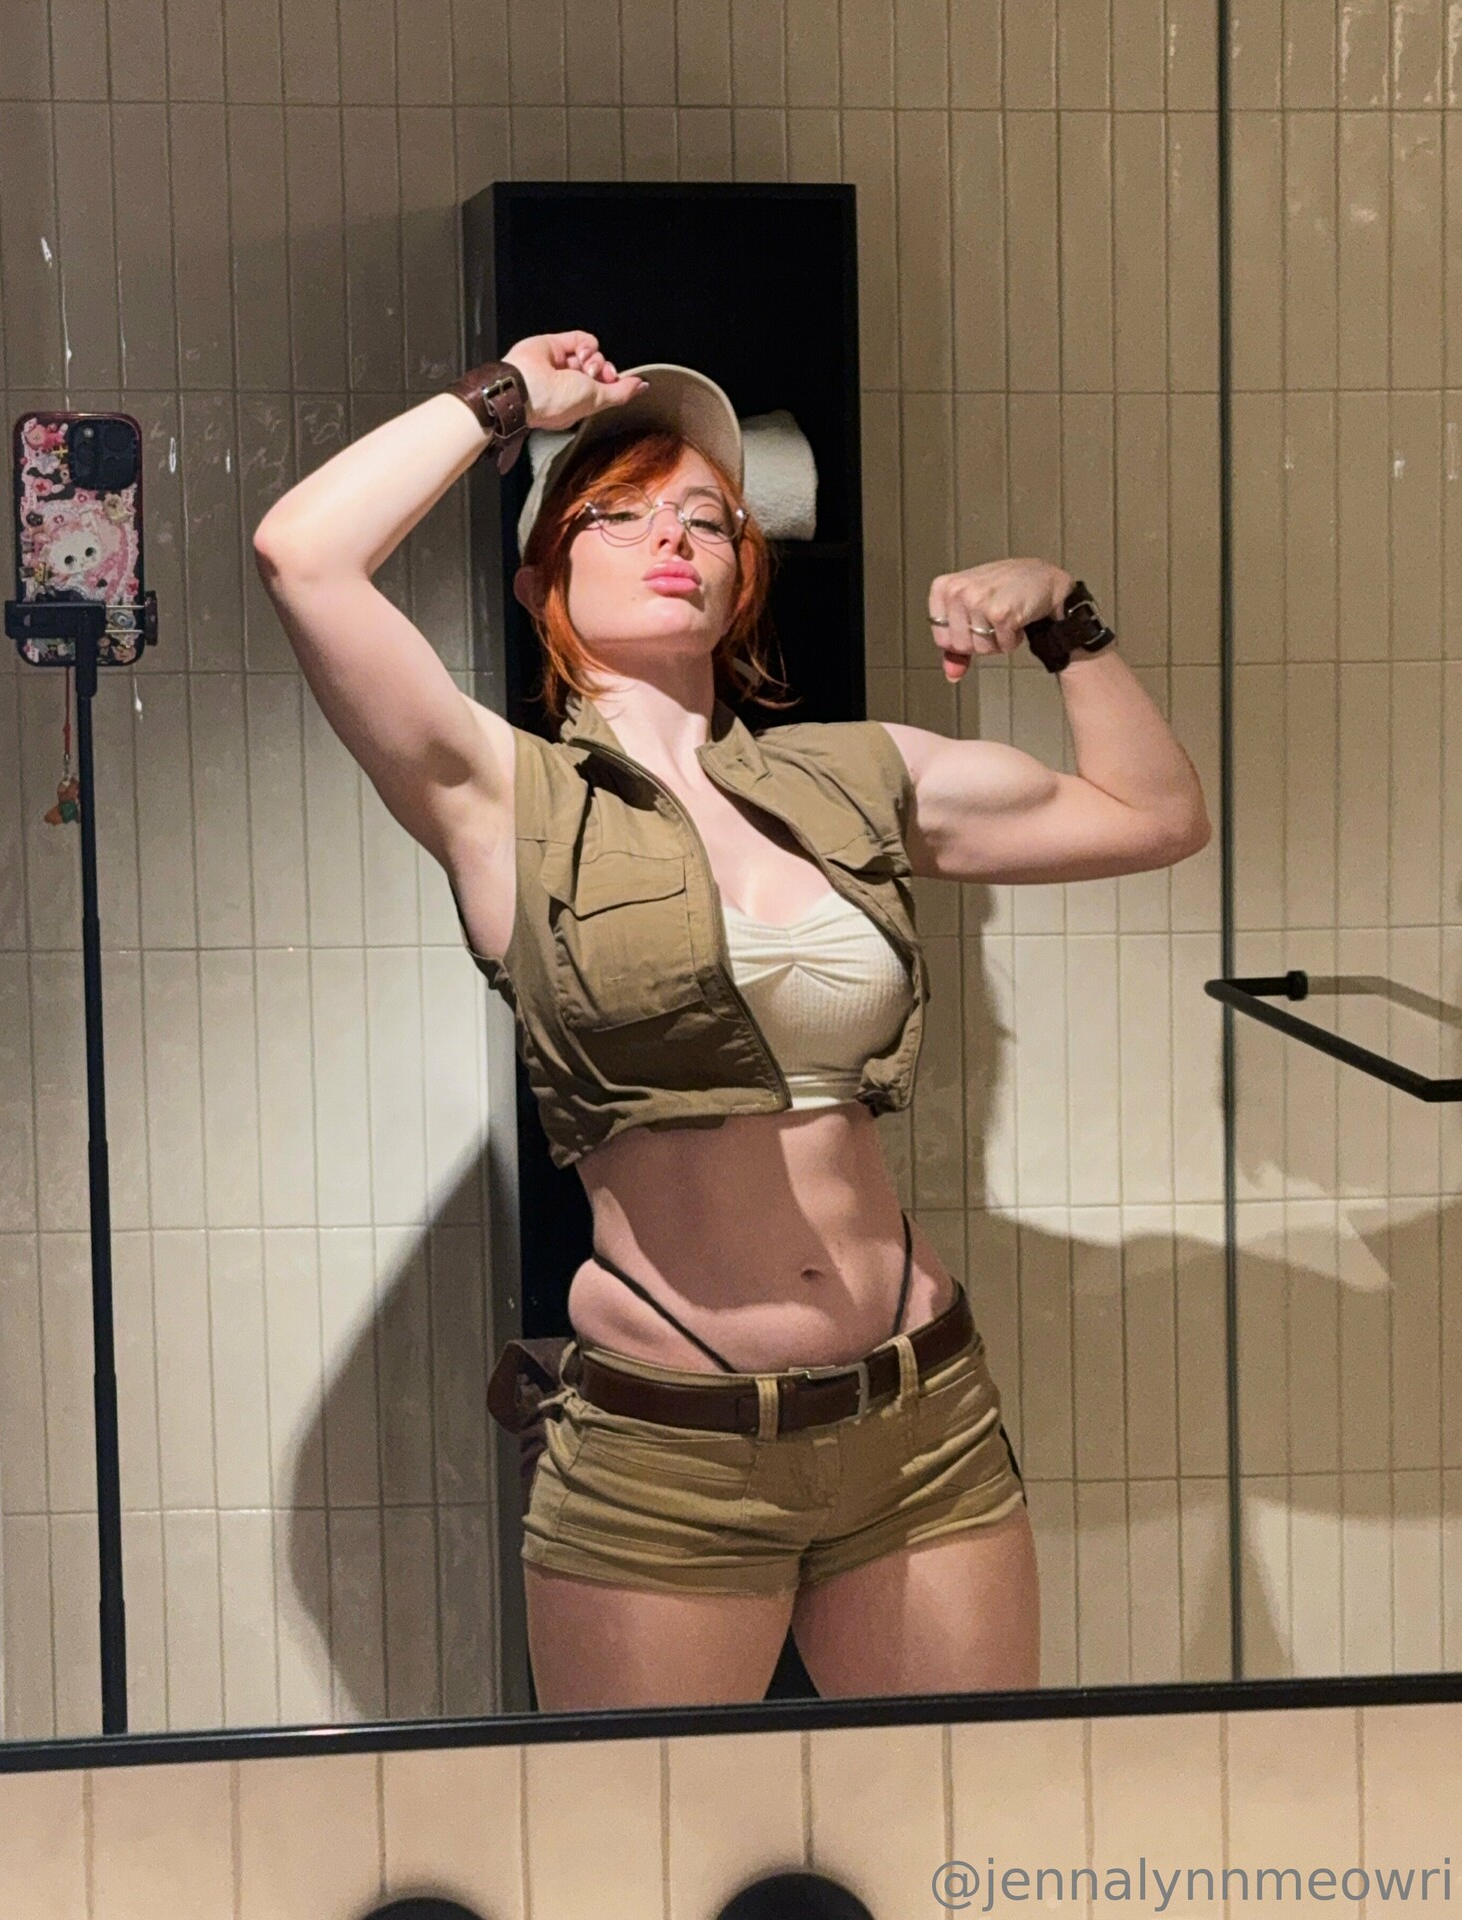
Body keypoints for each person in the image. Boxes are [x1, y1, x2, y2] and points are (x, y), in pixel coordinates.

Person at [253, 330, 1212, 1712]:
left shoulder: (855, 775)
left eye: (706, 519)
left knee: (965, 1807)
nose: (673, 538)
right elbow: (303, 554)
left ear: (743, 575)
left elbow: (1153, 814)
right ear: (541, 580)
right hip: (669, 1454)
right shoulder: (501, 796)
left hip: (921, 1419)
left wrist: (1064, 619)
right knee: (650, 1833)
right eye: (619, 513)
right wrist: (508, 398)